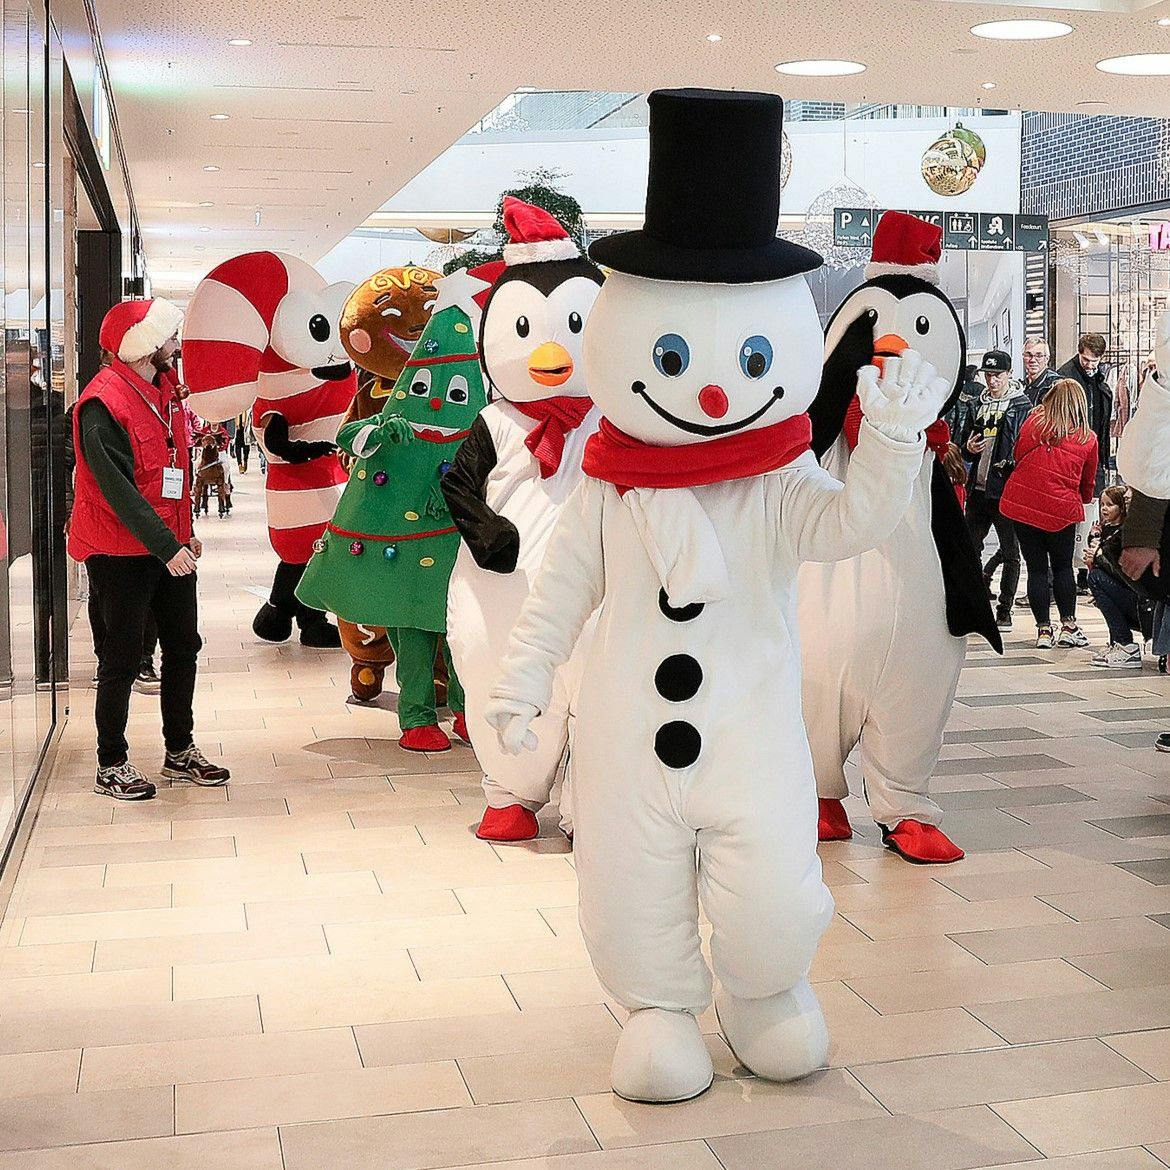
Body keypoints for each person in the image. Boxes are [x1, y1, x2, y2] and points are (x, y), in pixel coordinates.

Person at [68, 298, 230, 800]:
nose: (177, 344)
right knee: (121, 657)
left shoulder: (164, 394)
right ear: (144, 345)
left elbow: (166, 477)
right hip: (118, 553)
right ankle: (110, 762)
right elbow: (118, 492)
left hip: (168, 548)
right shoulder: (101, 405)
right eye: (170, 336)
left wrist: (184, 532)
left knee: (184, 648)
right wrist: (168, 545)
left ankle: (179, 751)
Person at [999, 378, 1098, 649]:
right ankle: (1068, 626)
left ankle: (1043, 630)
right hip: (1060, 510)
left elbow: (1018, 454)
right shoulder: (1087, 438)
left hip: (1024, 504)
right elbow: (1088, 481)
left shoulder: (1034, 424)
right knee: (1063, 567)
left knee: (1037, 570)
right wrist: (1084, 502)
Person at [956, 349, 1031, 630]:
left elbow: (1025, 445)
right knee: (970, 547)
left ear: (1008, 374)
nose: (992, 380)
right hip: (978, 486)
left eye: (997, 375)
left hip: (1005, 489)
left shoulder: (1022, 406)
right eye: (988, 375)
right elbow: (965, 439)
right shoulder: (977, 403)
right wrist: (968, 448)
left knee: (1011, 551)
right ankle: (975, 604)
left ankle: (1004, 609)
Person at [1086, 486, 1144, 667]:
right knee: (1098, 579)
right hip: (1138, 597)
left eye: (1110, 505)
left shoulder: (1127, 532)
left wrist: (1099, 556)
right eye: (1102, 505)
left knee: (1096, 578)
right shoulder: (1107, 530)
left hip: (1142, 601)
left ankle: (1125, 644)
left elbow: (1126, 574)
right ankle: (1118, 643)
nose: (1104, 509)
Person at [1021, 336, 1060, 406]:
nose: (1032, 360)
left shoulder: (1055, 385)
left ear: (1047, 359)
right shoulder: (1020, 388)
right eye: (1028, 355)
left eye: (1038, 356)